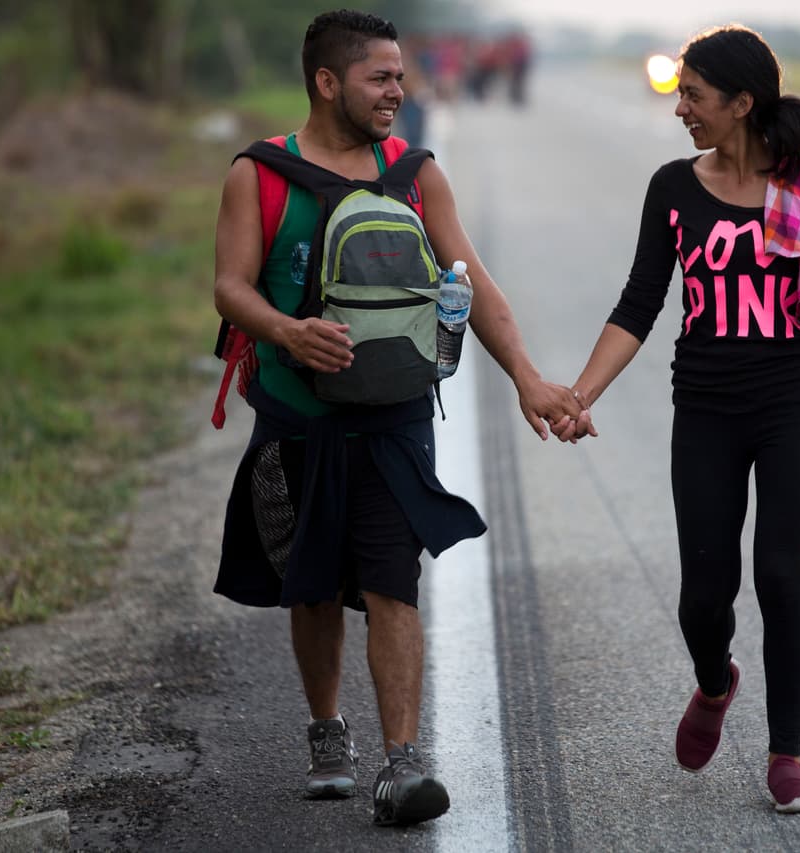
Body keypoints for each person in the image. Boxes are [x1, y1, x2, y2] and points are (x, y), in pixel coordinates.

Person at [211, 10, 580, 828]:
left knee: (391, 579)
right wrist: (286, 330)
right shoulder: (261, 175)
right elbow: (230, 286)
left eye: (401, 77)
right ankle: (326, 732)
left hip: (395, 414)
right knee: (309, 584)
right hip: (296, 412)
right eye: (381, 78)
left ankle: (403, 762)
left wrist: (526, 376)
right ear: (327, 82)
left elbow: (473, 283)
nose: (398, 91)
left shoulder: (415, 174)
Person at [555, 24, 800, 813]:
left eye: (693, 96)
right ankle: (714, 681)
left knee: (779, 576)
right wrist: (581, 392)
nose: (681, 110)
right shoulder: (672, 188)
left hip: (791, 404)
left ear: (741, 102)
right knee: (706, 591)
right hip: (704, 406)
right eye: (679, 95)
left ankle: (787, 757)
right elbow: (639, 303)